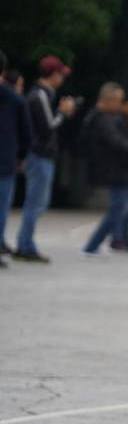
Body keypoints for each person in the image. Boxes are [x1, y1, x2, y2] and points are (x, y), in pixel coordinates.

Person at [15, 56, 76, 263]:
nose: (62, 79)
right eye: (60, 74)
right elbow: (47, 128)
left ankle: (26, 243)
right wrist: (63, 113)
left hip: (42, 156)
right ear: (53, 74)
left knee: (39, 201)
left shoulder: (44, 95)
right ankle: (25, 245)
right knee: (35, 202)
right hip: (39, 155)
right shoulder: (39, 95)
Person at [81, 83, 128, 256]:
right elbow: (116, 141)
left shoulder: (103, 117)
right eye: (118, 101)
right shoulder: (102, 119)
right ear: (109, 100)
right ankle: (92, 246)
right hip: (115, 170)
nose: (120, 105)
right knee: (116, 210)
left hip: (118, 169)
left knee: (120, 209)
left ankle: (106, 242)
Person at [0, 50, 33, 267]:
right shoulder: (14, 99)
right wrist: (21, 157)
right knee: (1, 207)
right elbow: (26, 134)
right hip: (5, 161)